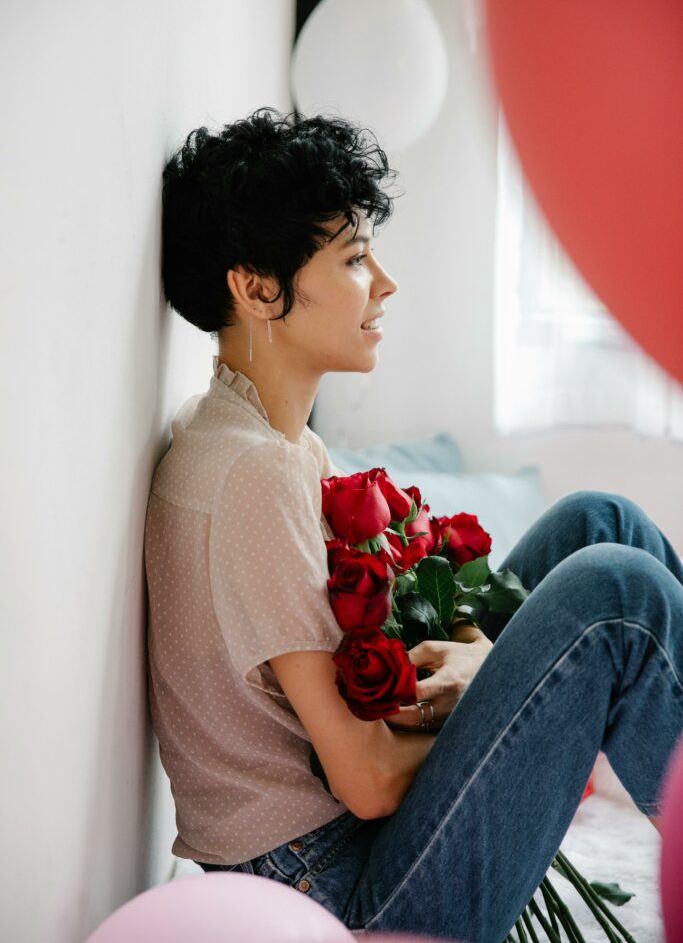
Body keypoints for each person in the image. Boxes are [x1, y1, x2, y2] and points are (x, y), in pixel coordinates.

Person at [144, 106, 683, 942]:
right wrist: (496, 678)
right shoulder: (254, 472)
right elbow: (366, 783)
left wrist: (479, 665)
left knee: (598, 522)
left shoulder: (248, 434)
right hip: (338, 890)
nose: (384, 284)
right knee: (616, 591)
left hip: (338, 849)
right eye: (355, 259)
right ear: (254, 288)